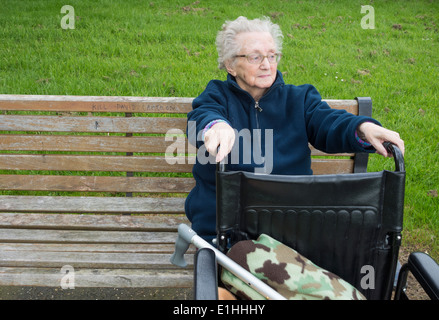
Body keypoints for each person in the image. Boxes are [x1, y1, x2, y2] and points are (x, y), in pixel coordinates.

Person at [185, 16, 405, 243]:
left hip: (291, 225)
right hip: (225, 228)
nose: (266, 65)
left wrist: (362, 127)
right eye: (255, 57)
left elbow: (327, 120)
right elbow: (203, 115)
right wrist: (216, 126)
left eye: (272, 55)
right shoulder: (217, 95)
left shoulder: (299, 99)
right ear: (230, 64)